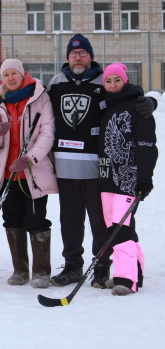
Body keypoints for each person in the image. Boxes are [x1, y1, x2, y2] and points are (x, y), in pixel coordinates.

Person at [46, 34, 156, 288]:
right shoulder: (57, 82)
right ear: (67, 57)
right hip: (65, 164)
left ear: (91, 56)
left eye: (83, 53)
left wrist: (149, 101)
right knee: (70, 221)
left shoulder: (103, 81)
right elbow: (41, 110)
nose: (78, 57)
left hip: (99, 167)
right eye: (73, 54)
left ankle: (102, 266)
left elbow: (127, 97)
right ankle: (73, 266)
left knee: (101, 222)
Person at [0, 59, 56, 289]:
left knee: (36, 219)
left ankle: (41, 271)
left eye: (14, 73)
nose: (10, 78)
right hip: (7, 172)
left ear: (23, 74)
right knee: (12, 219)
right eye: (6, 75)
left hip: (33, 171)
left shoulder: (39, 97)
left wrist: (30, 157)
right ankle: (20, 269)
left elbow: (47, 133)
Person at [98, 63, 156, 296]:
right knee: (118, 227)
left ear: (125, 81)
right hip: (106, 177)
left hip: (127, 179)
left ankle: (125, 278)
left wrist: (145, 178)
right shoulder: (106, 105)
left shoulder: (137, 106)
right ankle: (135, 272)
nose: (113, 85)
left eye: (117, 80)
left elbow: (147, 145)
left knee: (120, 228)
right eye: (108, 81)